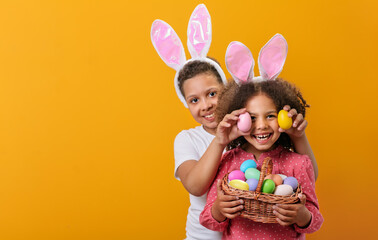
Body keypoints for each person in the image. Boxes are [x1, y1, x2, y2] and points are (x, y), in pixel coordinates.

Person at [152, 6, 319, 239]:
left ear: (229, 92)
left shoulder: (253, 135)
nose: (207, 105)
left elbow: (307, 176)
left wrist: (296, 135)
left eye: (212, 94)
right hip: (205, 235)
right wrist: (221, 141)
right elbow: (197, 188)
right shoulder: (213, 148)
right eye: (194, 100)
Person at [199, 78, 324, 239]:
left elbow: (316, 220)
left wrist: (302, 216)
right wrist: (218, 210)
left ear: (282, 118)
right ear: (237, 120)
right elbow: (208, 220)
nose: (262, 125)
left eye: (270, 116)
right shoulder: (229, 160)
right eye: (251, 118)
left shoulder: (298, 163)